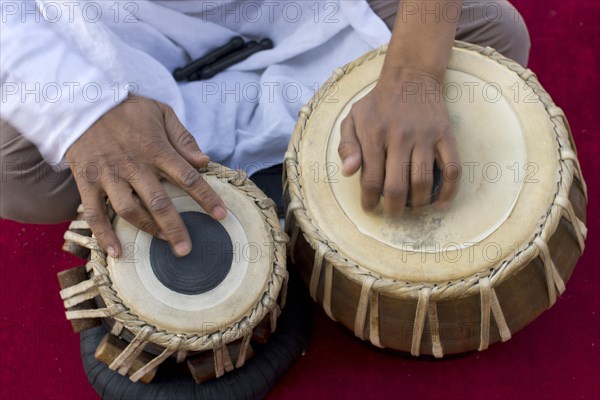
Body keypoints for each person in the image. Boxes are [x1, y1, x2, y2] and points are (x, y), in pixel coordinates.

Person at [0, 0, 530, 258]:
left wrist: (414, 73)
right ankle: (301, 168)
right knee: (16, 173)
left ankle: (261, 185)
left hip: (303, 13)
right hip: (107, 29)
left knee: (489, 37)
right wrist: (85, 112)